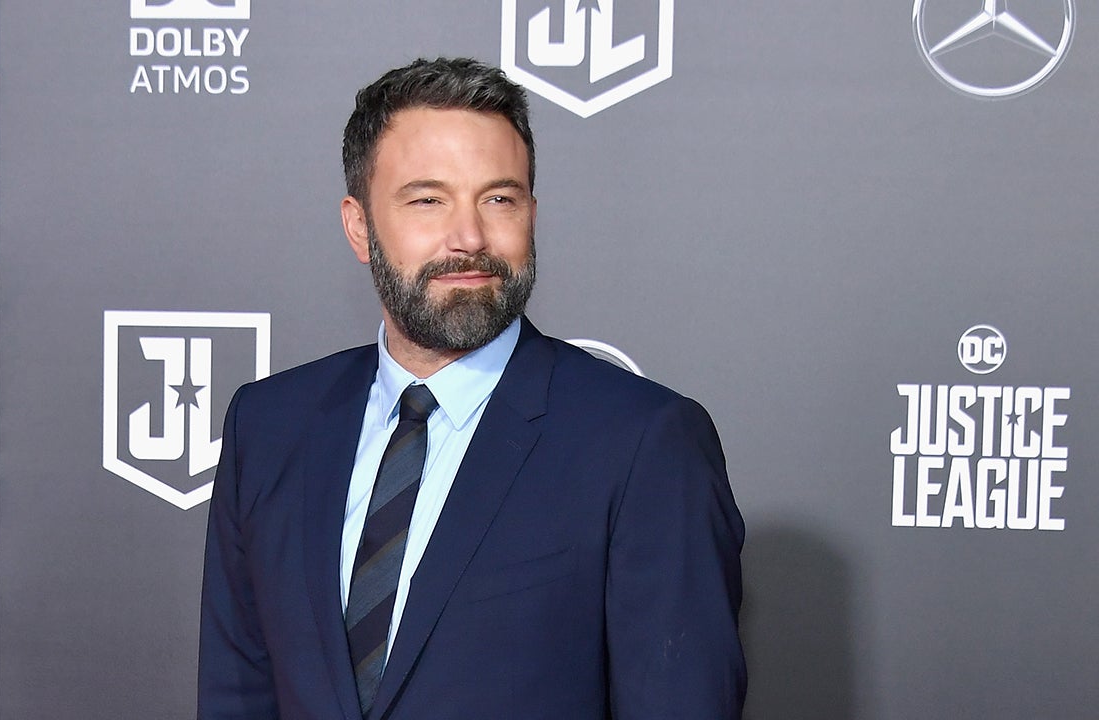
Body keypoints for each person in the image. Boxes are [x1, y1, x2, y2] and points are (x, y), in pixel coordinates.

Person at [198, 57, 745, 719]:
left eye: (499, 199)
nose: (469, 238)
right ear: (360, 226)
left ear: (532, 215)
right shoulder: (268, 426)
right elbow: (237, 693)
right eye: (428, 200)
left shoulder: (643, 443)